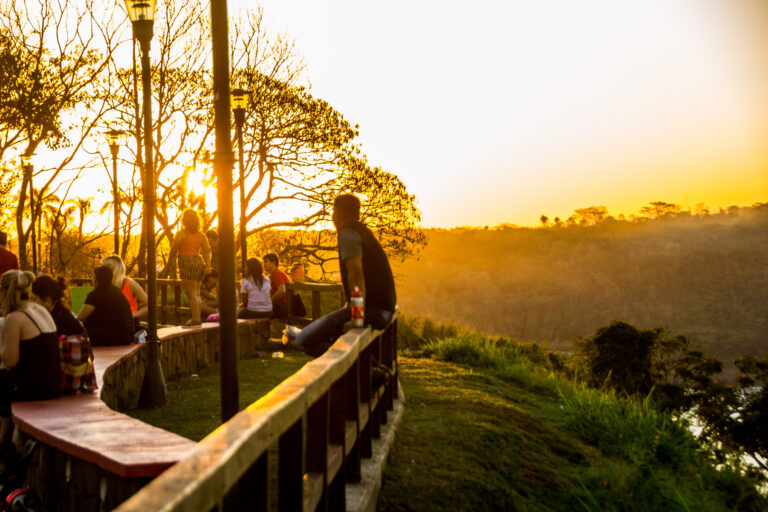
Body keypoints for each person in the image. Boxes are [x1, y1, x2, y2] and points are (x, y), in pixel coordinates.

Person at [290, 194, 396, 357]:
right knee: (332, 335)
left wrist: (356, 317)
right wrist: (349, 306)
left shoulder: (347, 233)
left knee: (303, 339)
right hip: (384, 310)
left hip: (372, 312)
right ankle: (362, 366)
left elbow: (356, 274)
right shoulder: (364, 232)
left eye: (333, 211)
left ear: (337, 214)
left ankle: (351, 365)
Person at [0, 270, 61, 451]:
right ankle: (5, 437)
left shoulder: (15, 318)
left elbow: (10, 360)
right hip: (53, 384)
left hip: (34, 390)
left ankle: (4, 439)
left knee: (3, 375)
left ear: (5, 291)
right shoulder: (40, 309)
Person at [166, 209, 211, 327]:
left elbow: (174, 249)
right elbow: (207, 251)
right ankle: (197, 318)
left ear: (185, 221)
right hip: (198, 263)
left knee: (191, 294)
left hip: (186, 262)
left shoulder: (182, 234)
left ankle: (196, 320)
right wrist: (207, 265)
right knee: (197, 293)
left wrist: (169, 263)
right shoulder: (202, 235)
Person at [76, 265, 134, 346]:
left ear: (96, 278)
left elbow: (81, 316)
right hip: (127, 336)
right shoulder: (117, 291)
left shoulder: (96, 294)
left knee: (78, 333)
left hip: (112, 336)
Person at [101, 255, 148, 327]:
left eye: (104, 268)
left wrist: (132, 315)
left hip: (127, 323)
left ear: (113, 270)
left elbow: (150, 305)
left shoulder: (130, 284)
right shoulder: (103, 284)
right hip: (109, 323)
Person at [262, 253, 289, 318]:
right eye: (263, 262)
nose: (264, 264)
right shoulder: (270, 276)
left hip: (281, 306)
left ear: (273, 263)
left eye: (266, 262)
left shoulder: (278, 273)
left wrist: (269, 303)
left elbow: (281, 291)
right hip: (276, 305)